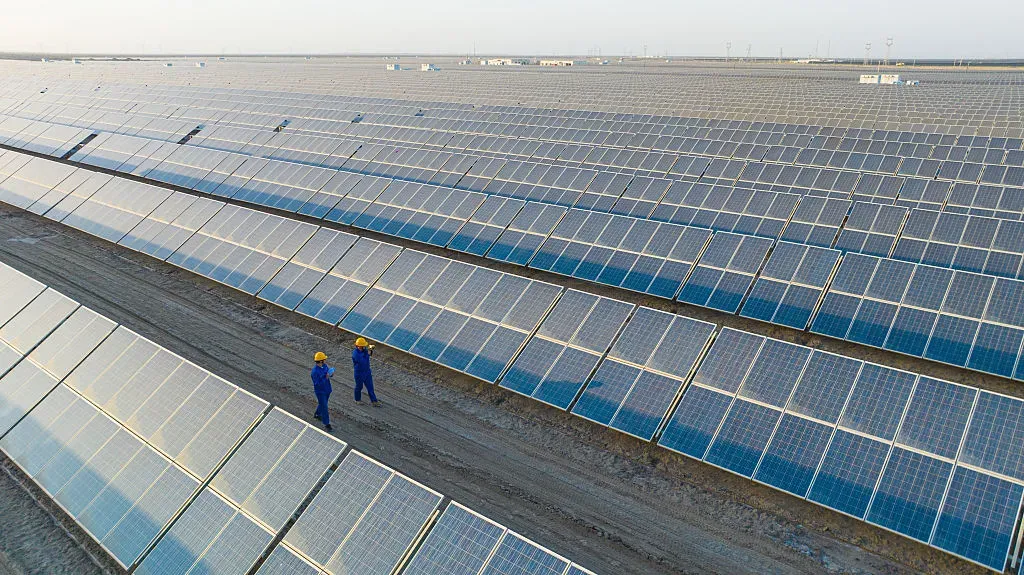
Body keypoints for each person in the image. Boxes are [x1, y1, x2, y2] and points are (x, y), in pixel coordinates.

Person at [352, 337, 381, 407]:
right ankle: (357, 399)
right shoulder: (355, 354)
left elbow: (369, 354)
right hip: (359, 373)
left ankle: (374, 401)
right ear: (358, 346)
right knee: (359, 387)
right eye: (362, 346)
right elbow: (363, 361)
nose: (363, 347)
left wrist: (371, 350)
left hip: (367, 372)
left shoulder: (364, 350)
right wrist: (367, 353)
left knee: (370, 387)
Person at [311, 351, 335, 431]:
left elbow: (328, 372)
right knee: (324, 407)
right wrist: (326, 377)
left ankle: (317, 414)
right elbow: (317, 384)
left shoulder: (325, 366)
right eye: (324, 359)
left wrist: (331, 374)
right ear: (321, 361)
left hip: (327, 389)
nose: (325, 360)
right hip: (320, 392)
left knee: (322, 404)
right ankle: (327, 424)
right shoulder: (315, 372)